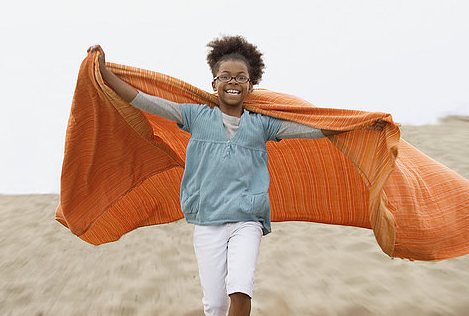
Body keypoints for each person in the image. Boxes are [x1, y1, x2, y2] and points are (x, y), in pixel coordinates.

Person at [86, 36, 384, 316]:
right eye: (225, 76)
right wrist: (104, 73)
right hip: (207, 222)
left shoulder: (262, 125)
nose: (233, 82)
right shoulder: (195, 116)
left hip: (247, 220)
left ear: (250, 85)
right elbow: (143, 100)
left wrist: (362, 124)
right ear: (214, 82)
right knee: (214, 305)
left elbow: (312, 128)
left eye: (241, 77)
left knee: (240, 291)